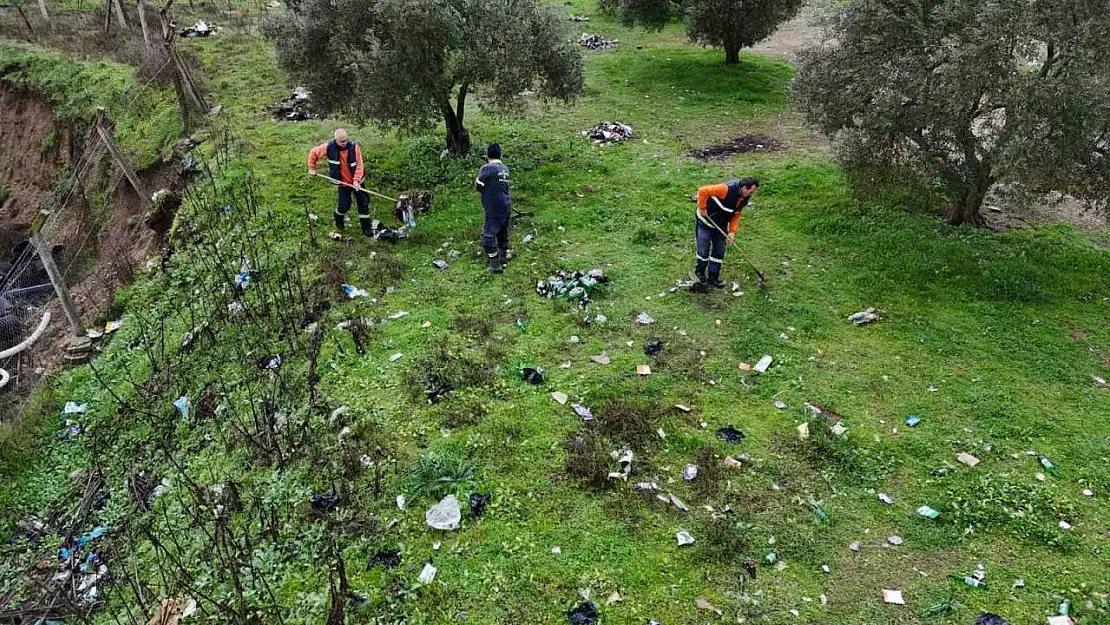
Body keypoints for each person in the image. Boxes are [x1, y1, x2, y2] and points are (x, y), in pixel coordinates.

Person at [694, 177, 759, 288]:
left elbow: (736, 214)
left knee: (719, 251)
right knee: (703, 251)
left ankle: (713, 278)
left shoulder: (743, 199)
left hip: (720, 225)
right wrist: (702, 207)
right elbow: (702, 190)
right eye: (751, 191)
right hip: (705, 222)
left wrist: (732, 232)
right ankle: (699, 273)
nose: (751, 194)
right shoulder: (725, 189)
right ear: (744, 188)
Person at [307, 129, 371, 236]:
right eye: (341, 142)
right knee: (344, 206)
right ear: (336, 140)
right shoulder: (328, 147)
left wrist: (356, 180)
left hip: (358, 182)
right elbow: (313, 152)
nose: (344, 143)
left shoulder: (354, 147)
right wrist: (312, 168)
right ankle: (338, 220)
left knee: (363, 204)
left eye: (345, 140)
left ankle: (366, 228)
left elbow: (359, 165)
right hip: (343, 184)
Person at [474, 143, 511, 274]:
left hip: (493, 206)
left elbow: (478, 185)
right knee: (502, 232)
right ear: (500, 154)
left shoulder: (487, 168)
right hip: (506, 204)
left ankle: (494, 265)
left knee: (488, 235)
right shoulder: (504, 168)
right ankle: (503, 257)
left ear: (487, 155)